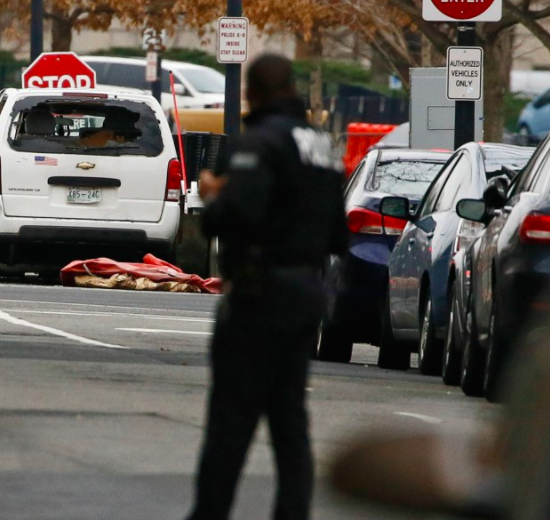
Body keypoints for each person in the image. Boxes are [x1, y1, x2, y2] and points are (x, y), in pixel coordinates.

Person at [185, 54, 348, 520]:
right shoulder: (322, 146)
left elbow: (235, 215)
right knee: (289, 421)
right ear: (292, 88)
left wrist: (214, 195)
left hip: (259, 295)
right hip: (308, 292)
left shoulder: (258, 142)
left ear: (252, 94)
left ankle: (210, 513)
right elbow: (338, 235)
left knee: (230, 421)